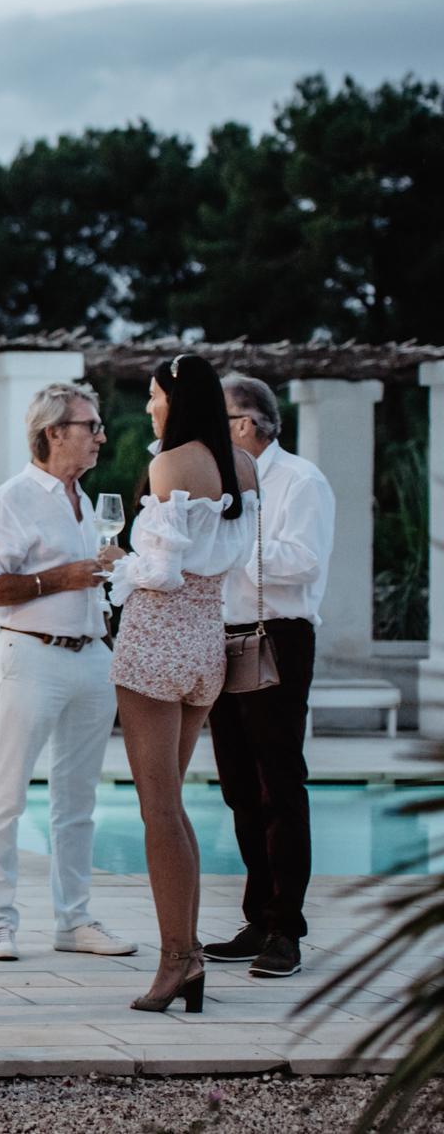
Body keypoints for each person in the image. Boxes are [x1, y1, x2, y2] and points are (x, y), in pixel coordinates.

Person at [0, 382, 137, 964]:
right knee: (7, 795)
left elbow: (91, 579)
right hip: (32, 654)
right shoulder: (10, 500)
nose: (101, 437)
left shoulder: (87, 502)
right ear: (54, 432)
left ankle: (74, 920)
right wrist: (56, 579)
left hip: (91, 656)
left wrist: (109, 576)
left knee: (79, 799)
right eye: (91, 426)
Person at [106, 354, 258, 1014]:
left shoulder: (172, 465)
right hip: (207, 643)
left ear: (175, 396)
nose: (148, 407)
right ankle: (188, 951)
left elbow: (162, 572)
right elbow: (226, 558)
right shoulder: (244, 467)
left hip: (156, 640)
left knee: (158, 811)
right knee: (175, 806)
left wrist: (119, 559)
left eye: (152, 395)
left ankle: (176, 959)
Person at [205, 373, 334, 979]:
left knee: (279, 782)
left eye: (219, 420)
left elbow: (302, 561)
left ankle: (287, 928)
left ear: (245, 425)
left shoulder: (300, 479)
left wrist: (233, 543)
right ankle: (257, 915)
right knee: (236, 785)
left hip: (279, 637)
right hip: (225, 637)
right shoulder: (221, 484)